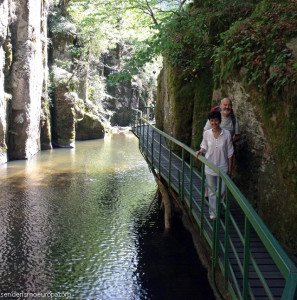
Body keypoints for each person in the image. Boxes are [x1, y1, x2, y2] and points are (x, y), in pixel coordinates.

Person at [195, 110, 234, 220]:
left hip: (223, 167)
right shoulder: (207, 133)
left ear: (220, 121)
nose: (214, 123)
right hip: (210, 167)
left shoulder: (226, 134)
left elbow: (230, 153)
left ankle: (217, 208)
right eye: (211, 121)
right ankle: (213, 213)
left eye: (216, 120)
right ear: (209, 122)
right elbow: (204, 146)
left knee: (221, 192)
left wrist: (230, 169)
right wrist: (201, 151)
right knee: (212, 192)